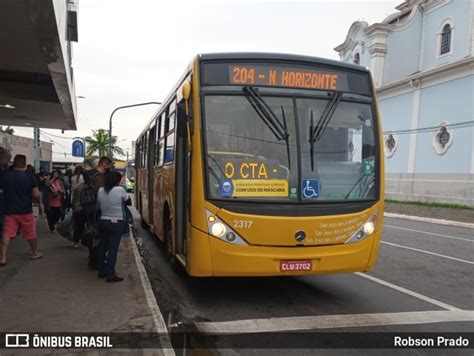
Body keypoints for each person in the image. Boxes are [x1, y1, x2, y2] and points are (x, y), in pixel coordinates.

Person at [0, 154, 44, 266]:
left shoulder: (5, 176)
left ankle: (3, 258)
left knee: (7, 233)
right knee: (31, 233)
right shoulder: (29, 177)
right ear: (24, 164)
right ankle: (34, 253)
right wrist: (39, 202)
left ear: (14, 163)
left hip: (9, 210)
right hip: (25, 210)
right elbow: (36, 194)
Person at [96, 171, 131, 283]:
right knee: (113, 249)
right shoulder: (120, 190)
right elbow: (128, 202)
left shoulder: (101, 190)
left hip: (103, 221)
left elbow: (98, 205)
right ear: (116, 180)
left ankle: (101, 271)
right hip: (116, 223)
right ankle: (110, 275)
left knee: (103, 247)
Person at [71, 171, 90, 248]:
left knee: (78, 226)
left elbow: (74, 199)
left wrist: (73, 207)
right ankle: (89, 242)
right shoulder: (92, 186)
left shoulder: (78, 186)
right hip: (89, 209)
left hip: (78, 208)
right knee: (90, 226)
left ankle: (76, 242)